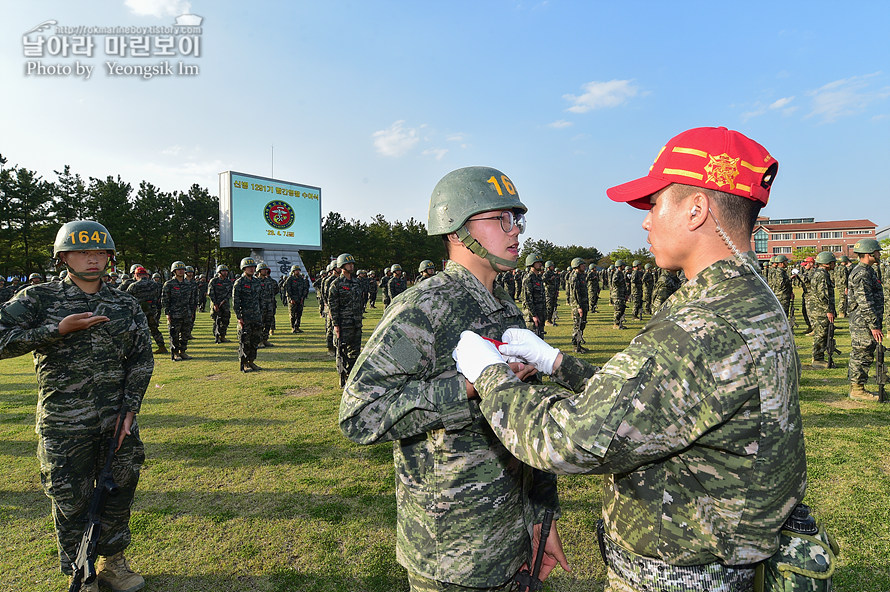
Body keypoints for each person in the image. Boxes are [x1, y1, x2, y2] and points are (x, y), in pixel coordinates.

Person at [453, 127, 806, 592]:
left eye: (655, 204)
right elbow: (655, 402)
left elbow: (568, 440)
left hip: (679, 572)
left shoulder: (704, 325)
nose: (645, 222)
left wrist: (491, 375)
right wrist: (558, 363)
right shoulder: (743, 297)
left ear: (696, 210)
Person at [339, 166, 566, 591]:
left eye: (517, 219)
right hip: (453, 558)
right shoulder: (423, 310)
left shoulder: (507, 309)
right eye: (500, 219)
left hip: (513, 542)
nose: (515, 231)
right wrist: (464, 389)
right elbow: (360, 414)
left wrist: (541, 515)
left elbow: (527, 421)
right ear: (458, 231)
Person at [0, 220, 153, 592]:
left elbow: (141, 359)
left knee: (118, 491)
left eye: (99, 251)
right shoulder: (39, 298)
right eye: (83, 251)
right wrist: (55, 331)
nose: (92, 258)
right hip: (64, 423)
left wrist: (129, 411)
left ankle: (113, 564)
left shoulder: (124, 302)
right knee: (70, 497)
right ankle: (81, 572)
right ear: (64, 256)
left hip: (116, 419)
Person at [847, 238, 884, 400]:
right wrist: (874, 325)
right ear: (869, 253)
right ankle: (857, 389)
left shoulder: (868, 270)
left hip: (866, 320)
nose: (879, 254)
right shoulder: (861, 273)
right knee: (861, 353)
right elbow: (865, 301)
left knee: (865, 352)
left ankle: (858, 386)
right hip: (863, 321)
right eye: (877, 251)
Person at [327, 253, 364, 387]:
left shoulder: (356, 282)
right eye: (349, 264)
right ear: (342, 266)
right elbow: (333, 307)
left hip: (356, 323)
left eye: (352, 264)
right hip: (343, 324)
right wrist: (336, 325)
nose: (351, 266)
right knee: (342, 352)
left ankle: (352, 376)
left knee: (355, 351)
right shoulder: (336, 284)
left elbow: (360, 302)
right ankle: (342, 377)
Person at [126, 266, 167, 354]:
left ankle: (142, 349)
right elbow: (159, 296)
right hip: (152, 310)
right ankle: (162, 346)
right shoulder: (154, 284)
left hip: (140, 311)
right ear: (146, 275)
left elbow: (127, 298)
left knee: (139, 331)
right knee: (154, 329)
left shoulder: (133, 286)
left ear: (137, 275)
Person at [806, 252, 836, 369]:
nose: (834, 265)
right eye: (833, 262)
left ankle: (819, 357)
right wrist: (828, 310)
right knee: (821, 334)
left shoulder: (820, 273)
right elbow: (822, 294)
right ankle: (817, 359)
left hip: (819, 309)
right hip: (821, 310)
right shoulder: (822, 275)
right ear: (827, 263)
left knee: (823, 334)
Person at [233, 257, 263, 372]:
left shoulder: (256, 282)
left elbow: (260, 299)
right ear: (244, 268)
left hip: (256, 316)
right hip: (245, 317)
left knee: (255, 340)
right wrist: (239, 317)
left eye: (253, 267)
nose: (252, 269)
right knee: (245, 341)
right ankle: (244, 363)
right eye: (249, 267)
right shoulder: (239, 283)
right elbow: (236, 302)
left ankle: (251, 361)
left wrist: (261, 314)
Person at [161, 261, 194, 361]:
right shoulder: (169, 284)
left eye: (182, 269)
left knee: (185, 334)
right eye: (178, 270)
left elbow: (191, 299)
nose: (181, 271)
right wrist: (167, 314)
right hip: (174, 313)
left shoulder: (188, 284)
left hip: (186, 313)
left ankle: (182, 351)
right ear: (174, 271)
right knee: (174, 334)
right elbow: (165, 300)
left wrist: (191, 311)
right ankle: (175, 353)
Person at [521, 253, 547, 337]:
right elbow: (527, 298)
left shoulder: (538, 277)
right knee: (533, 339)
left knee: (540, 337)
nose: (540, 264)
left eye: (540, 262)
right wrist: (534, 315)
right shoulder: (528, 278)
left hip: (540, 312)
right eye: (537, 262)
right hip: (532, 314)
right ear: (531, 264)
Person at [567, 257, 589, 353]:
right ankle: (576, 346)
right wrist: (579, 307)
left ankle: (579, 344)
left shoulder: (581, 275)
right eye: (582, 265)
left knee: (582, 325)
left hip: (583, 304)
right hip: (578, 306)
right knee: (577, 326)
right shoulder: (574, 277)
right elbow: (575, 293)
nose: (584, 266)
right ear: (577, 266)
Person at [208, 264, 234, 343]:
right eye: (223, 271)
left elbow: (231, 292)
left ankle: (223, 336)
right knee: (217, 320)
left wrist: (225, 300)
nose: (225, 272)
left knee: (225, 320)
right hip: (216, 304)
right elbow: (211, 293)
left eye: (226, 271)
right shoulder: (214, 281)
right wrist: (215, 304)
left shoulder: (228, 282)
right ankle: (217, 336)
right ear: (219, 272)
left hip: (225, 304)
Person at [284, 265, 309, 333]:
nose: (297, 271)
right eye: (296, 270)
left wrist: (303, 297)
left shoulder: (301, 279)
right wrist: (290, 298)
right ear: (293, 271)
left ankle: (297, 327)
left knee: (299, 314)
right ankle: (293, 327)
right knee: (292, 314)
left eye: (298, 270)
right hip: (293, 299)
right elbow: (287, 289)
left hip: (300, 299)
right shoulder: (290, 279)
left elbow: (305, 288)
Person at [542, 260, 560, 325]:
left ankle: (550, 319)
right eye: (551, 266)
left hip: (554, 292)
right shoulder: (546, 273)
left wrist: (557, 290)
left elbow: (556, 282)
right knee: (549, 306)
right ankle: (547, 320)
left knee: (553, 306)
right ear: (548, 267)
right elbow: (543, 280)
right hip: (548, 292)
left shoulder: (553, 273)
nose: (553, 267)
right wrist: (550, 279)